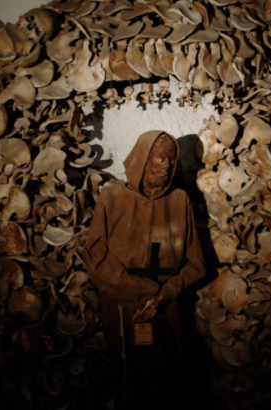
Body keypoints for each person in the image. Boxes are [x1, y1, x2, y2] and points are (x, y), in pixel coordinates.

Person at [81, 131, 205, 410]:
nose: (165, 169)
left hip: (166, 303)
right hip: (122, 300)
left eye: (170, 163)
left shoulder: (179, 200)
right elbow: (95, 256)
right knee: (129, 376)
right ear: (141, 158)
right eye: (159, 160)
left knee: (169, 376)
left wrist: (163, 296)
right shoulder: (111, 198)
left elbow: (196, 263)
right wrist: (144, 294)